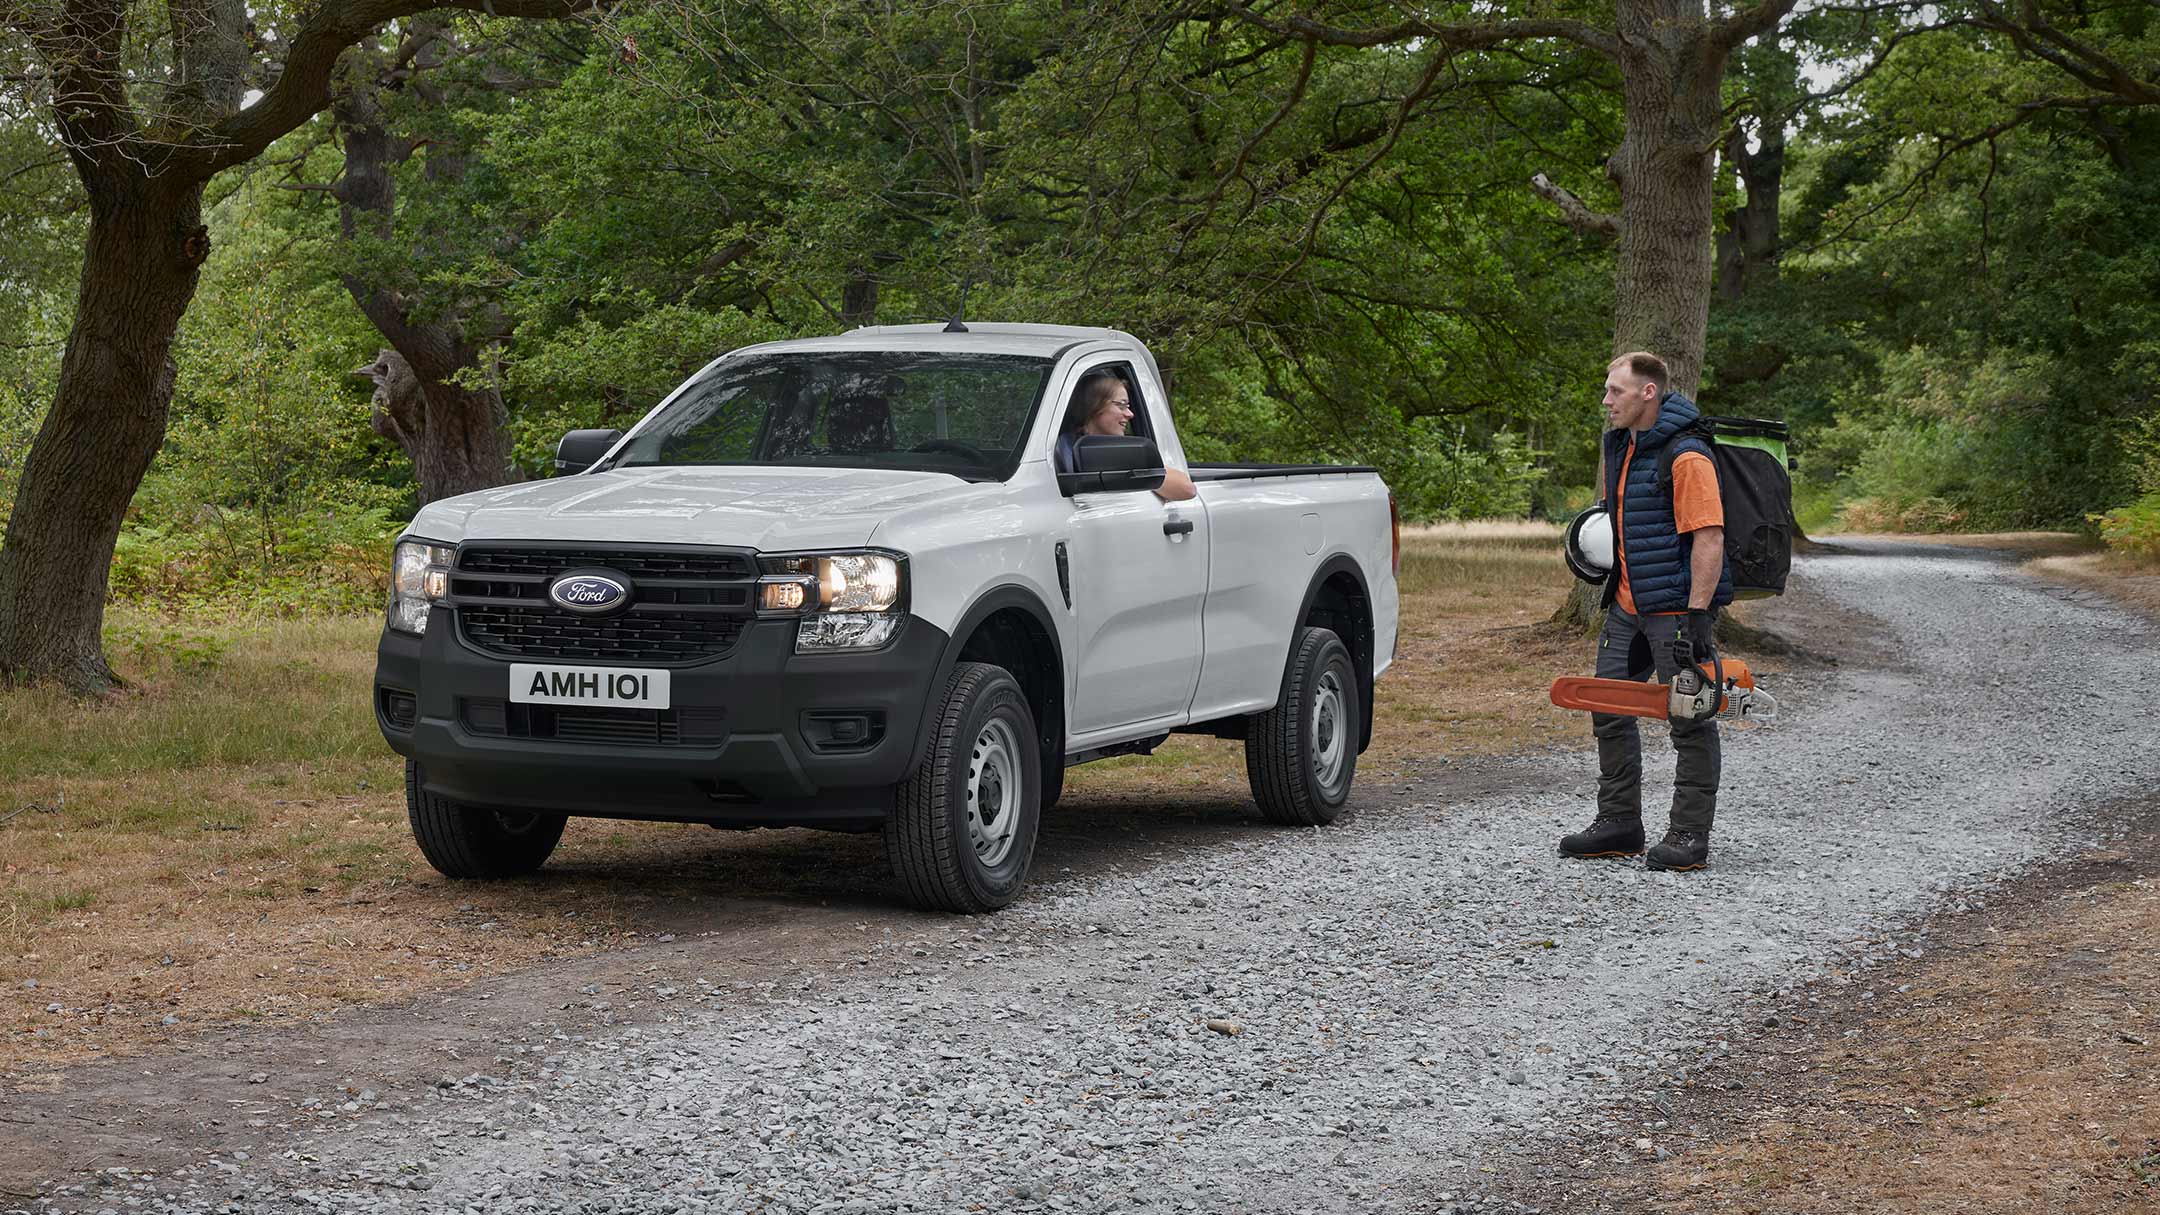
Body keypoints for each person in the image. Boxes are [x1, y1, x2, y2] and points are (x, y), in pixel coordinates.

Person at [1560, 351, 1732, 872]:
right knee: (1607, 707)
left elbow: (1709, 536)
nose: (1606, 400)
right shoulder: (1626, 446)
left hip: (1675, 612)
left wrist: (1698, 616)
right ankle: (1619, 823)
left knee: (1690, 720)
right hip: (1627, 606)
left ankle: (1688, 833)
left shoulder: (1686, 456)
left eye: (1616, 390)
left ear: (1648, 393)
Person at [1057, 368, 1197, 502]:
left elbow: (1186, 488)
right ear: (1094, 406)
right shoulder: (1061, 450)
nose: (1130, 414)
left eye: (1128, 406)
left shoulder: (1120, 452)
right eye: (1121, 405)